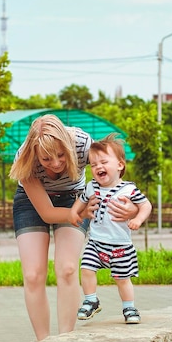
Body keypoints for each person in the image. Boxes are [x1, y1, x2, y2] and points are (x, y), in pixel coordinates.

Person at [9, 114, 137, 341]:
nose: (56, 164)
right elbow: (47, 213)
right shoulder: (25, 157)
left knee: (67, 268)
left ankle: (64, 341)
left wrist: (133, 207)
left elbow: (110, 171)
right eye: (46, 159)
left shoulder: (81, 142)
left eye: (60, 155)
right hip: (32, 203)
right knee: (33, 274)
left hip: (74, 199)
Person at [69, 133, 152, 324]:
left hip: (120, 245)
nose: (98, 167)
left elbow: (146, 205)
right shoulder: (92, 187)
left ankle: (129, 307)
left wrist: (138, 219)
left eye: (104, 162)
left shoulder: (129, 189)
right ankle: (91, 301)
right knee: (86, 268)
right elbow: (81, 201)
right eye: (94, 164)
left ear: (120, 165)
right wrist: (74, 213)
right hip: (96, 243)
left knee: (122, 279)